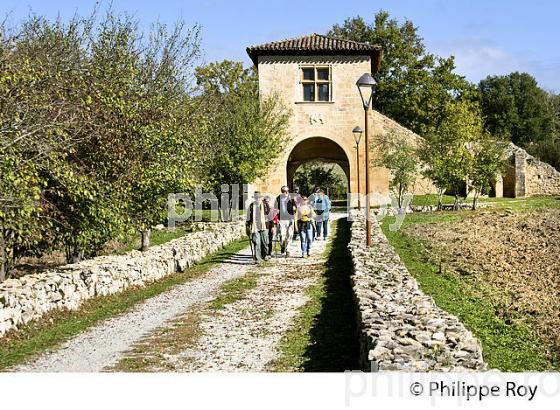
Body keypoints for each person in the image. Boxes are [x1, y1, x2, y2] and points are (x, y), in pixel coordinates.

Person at [246, 191, 270, 263]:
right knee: (256, 242)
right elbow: (248, 217)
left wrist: (273, 225)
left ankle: (264, 255)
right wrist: (247, 226)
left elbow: (270, 214)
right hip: (255, 226)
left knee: (264, 242)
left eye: (258, 197)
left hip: (264, 226)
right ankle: (258, 258)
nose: (257, 198)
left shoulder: (265, 204)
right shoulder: (251, 206)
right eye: (256, 197)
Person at [274, 185, 297, 257]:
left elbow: (295, 207)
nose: (286, 192)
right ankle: (282, 245)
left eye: (287, 191)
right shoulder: (278, 198)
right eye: (284, 191)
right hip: (281, 219)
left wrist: (294, 208)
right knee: (281, 235)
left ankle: (288, 250)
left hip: (290, 219)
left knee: (289, 235)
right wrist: (276, 216)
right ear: (282, 191)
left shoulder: (291, 198)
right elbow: (275, 208)